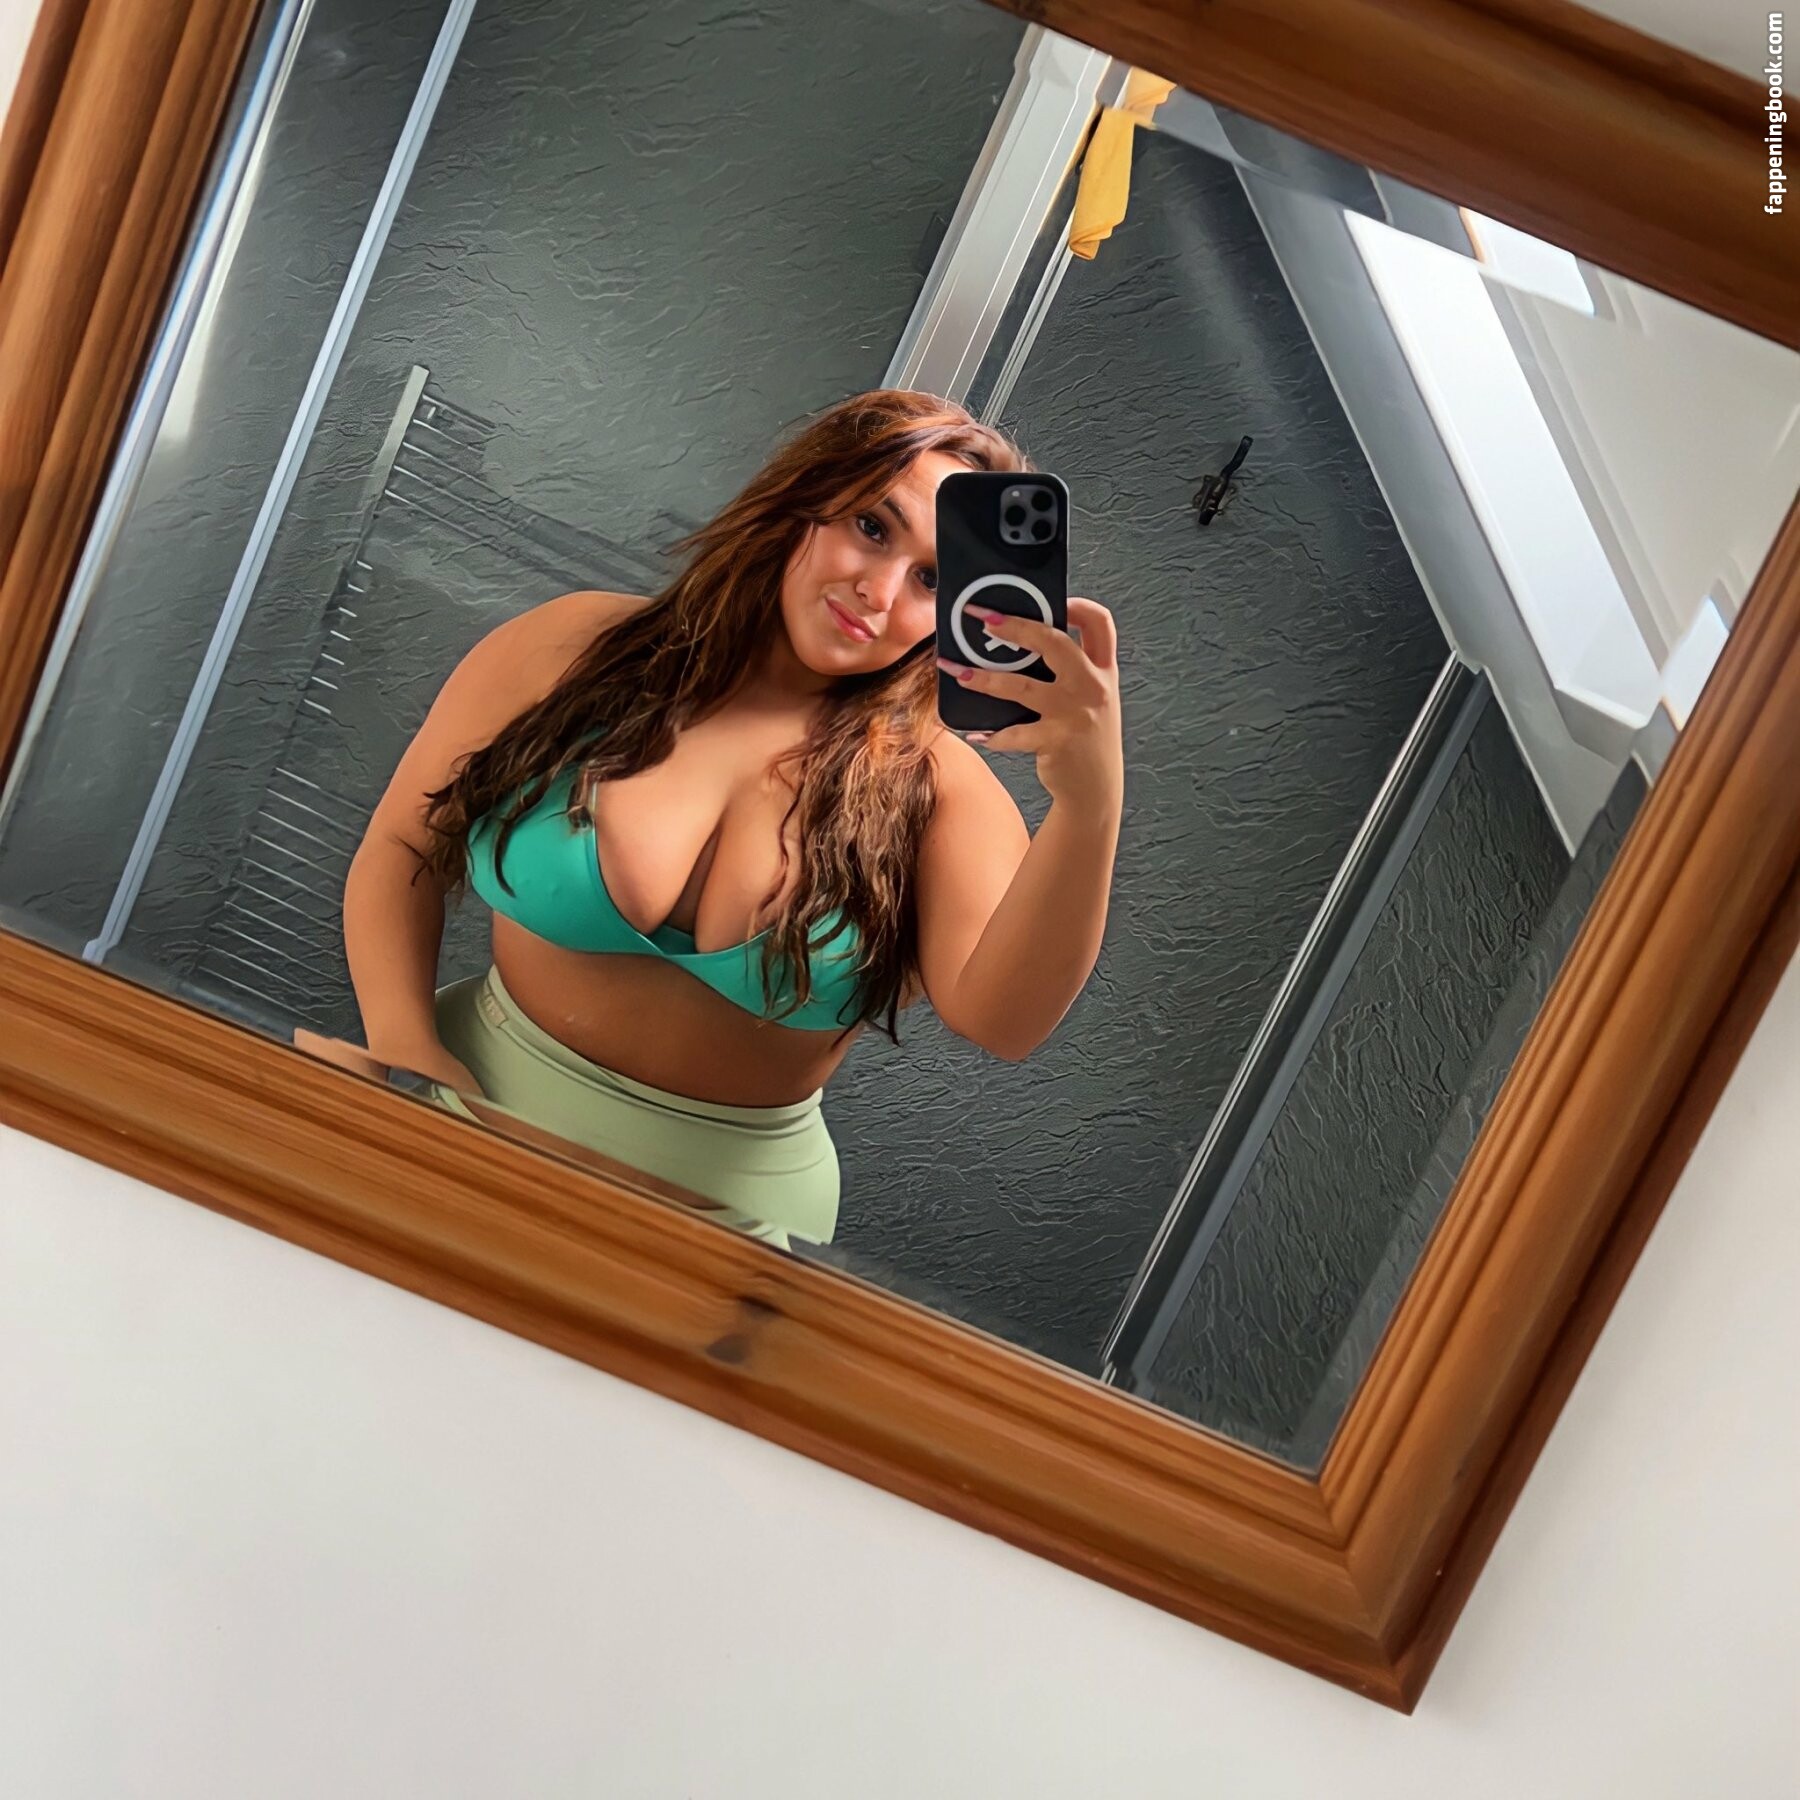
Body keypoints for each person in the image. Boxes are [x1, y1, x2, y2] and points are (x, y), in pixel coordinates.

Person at [300, 389, 1124, 1247]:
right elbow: (403, 848)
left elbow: (1004, 1024)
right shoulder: (574, 649)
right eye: (872, 528)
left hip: (730, 1234)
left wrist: (1090, 804)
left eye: (932, 580)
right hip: (458, 1113)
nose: (878, 592)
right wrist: (402, 1048)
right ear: (803, 499)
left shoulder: (941, 792)